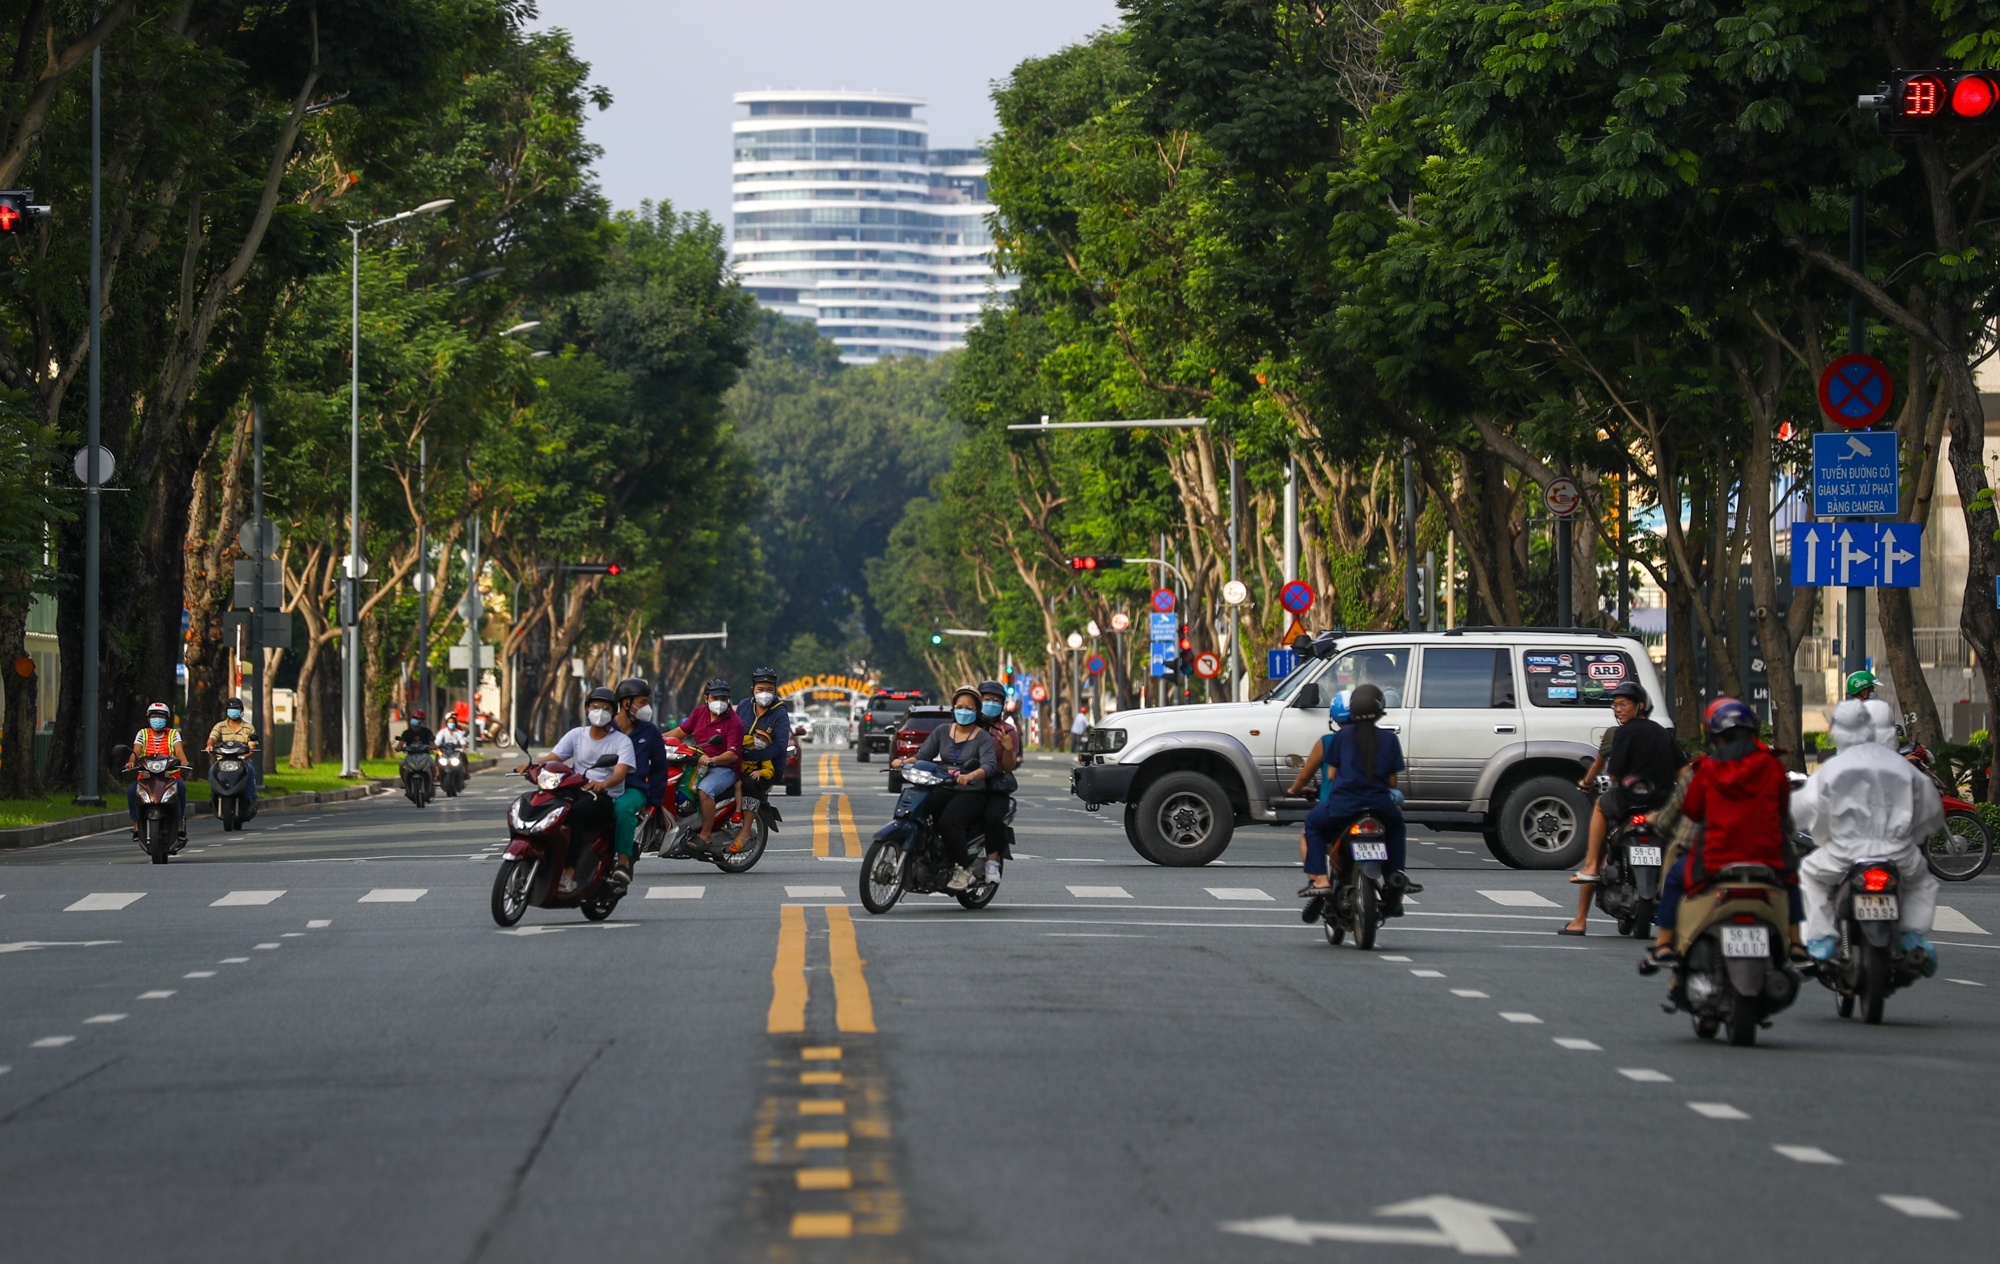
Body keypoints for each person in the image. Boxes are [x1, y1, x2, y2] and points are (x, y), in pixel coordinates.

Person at [1639, 697, 1806, 974]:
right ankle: (1797, 944)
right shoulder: (1773, 767)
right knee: (1792, 880)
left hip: (1716, 856)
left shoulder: (1706, 770)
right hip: (1768, 856)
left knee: (1674, 879)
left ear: (1715, 738)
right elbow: (1782, 811)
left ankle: (1665, 944)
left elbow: (1692, 810)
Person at [1792, 698, 1943, 973]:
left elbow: (1801, 810)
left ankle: (1822, 939)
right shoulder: (1902, 767)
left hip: (1844, 852)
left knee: (1810, 877)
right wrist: (1912, 837)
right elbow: (1931, 811)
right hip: (1898, 851)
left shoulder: (1832, 770)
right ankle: (1911, 938)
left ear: (1837, 731)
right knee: (1921, 882)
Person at [1284, 683, 1422, 919]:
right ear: (1381, 709)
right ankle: (1394, 874)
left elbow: (1330, 775)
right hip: (1380, 805)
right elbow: (1392, 781)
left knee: (1313, 825)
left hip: (1344, 805)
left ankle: (1320, 879)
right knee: (1397, 826)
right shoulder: (1389, 740)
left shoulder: (1341, 737)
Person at [1561, 681, 1686, 935]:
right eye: (1615, 705)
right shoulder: (1664, 734)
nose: (1618, 709)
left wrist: (1590, 783)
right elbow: (1685, 773)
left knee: (1599, 806)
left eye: (1624, 704)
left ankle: (1590, 873)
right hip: (1660, 806)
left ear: (1640, 706)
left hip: (1627, 803)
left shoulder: (1621, 734)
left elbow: (1614, 775)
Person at [517, 686, 634, 894]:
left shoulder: (621, 741)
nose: (600, 711)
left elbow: (620, 773)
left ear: (614, 713)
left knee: (572, 814)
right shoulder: (576, 735)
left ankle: (569, 873)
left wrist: (604, 784)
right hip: (576, 789)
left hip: (605, 796)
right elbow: (555, 758)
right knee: (543, 805)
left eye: (606, 708)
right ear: (587, 709)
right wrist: (533, 766)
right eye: (595, 706)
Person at [892, 686, 998, 890]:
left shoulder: (982, 737)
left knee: (949, 822)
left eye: (969, 707)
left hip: (971, 792)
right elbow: (924, 755)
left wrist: (971, 776)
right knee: (915, 808)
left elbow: (989, 765)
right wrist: (904, 762)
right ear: (953, 708)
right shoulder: (942, 731)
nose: (964, 711)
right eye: (960, 707)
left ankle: (964, 869)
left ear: (976, 711)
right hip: (942, 785)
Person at [663, 678, 746, 850]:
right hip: (696, 763)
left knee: (705, 790)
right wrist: (657, 740)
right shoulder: (699, 713)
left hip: (724, 768)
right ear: (706, 698)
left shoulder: (734, 722)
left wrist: (712, 760)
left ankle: (706, 836)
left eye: (723, 699)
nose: (719, 703)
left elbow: (732, 755)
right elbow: (681, 731)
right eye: (715, 698)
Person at [610, 678, 666, 885]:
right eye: (643, 702)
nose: (647, 708)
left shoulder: (650, 732)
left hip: (633, 789)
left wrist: (653, 801)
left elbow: (660, 768)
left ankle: (622, 863)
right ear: (626, 704)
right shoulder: (605, 729)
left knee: (623, 809)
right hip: (603, 786)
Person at [733, 668, 792, 848]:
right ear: (753, 689)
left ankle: (745, 831)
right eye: (760, 689)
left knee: (749, 784)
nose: (765, 693)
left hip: (767, 767)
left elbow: (780, 745)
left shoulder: (779, 712)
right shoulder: (743, 706)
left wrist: (755, 755)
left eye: (769, 689)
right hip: (738, 761)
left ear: (775, 691)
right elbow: (732, 730)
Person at [125, 701, 191, 849]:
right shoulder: (142, 734)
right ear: (148, 718)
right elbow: (136, 750)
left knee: (181, 788)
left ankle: (180, 822)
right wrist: (131, 762)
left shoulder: (174, 734)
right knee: (131, 790)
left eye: (160, 716)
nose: (157, 719)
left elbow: (179, 750)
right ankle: (136, 824)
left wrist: (184, 760)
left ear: (166, 718)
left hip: (170, 776)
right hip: (146, 777)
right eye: (154, 716)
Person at [974, 679, 1020, 885]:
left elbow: (1009, 766)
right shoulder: (965, 726)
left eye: (995, 701)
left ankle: (992, 861)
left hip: (993, 785)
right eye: (986, 700)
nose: (990, 703)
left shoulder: (1007, 731)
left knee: (992, 817)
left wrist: (1008, 748)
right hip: (965, 782)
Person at [204, 696, 260, 808]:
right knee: (212, 771)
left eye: (236, 709)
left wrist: (245, 756)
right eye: (231, 709)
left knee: (250, 770)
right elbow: (212, 738)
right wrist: (210, 745)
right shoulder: (219, 726)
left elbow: (252, 747)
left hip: (242, 761)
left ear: (241, 711)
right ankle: (214, 795)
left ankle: (249, 797)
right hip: (223, 760)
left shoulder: (248, 728)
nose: (233, 711)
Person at [394, 708, 436, 791]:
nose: (415, 720)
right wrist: (398, 748)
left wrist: (433, 747)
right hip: (410, 755)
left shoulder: (426, 732)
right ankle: (406, 783)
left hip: (425, 755)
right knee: (402, 766)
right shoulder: (407, 732)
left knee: (433, 765)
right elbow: (401, 743)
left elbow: (432, 743)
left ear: (422, 721)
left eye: (418, 719)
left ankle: (431, 782)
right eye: (414, 718)